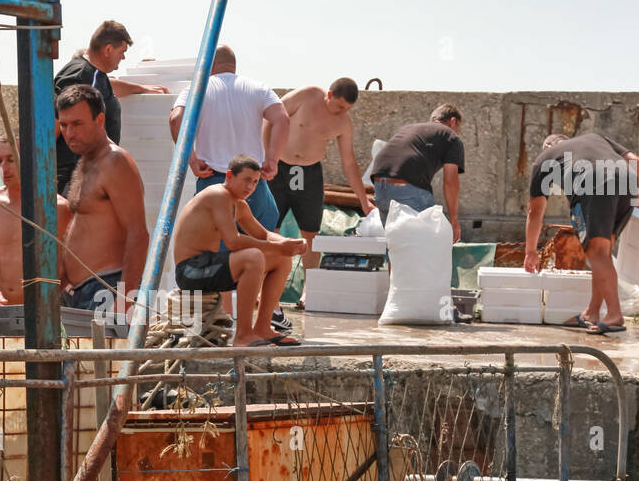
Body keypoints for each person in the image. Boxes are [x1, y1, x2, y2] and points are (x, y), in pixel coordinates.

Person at [169, 44, 291, 331]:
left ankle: (223, 318)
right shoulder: (257, 87)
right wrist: (272, 159)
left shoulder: (198, 87)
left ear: (210, 65)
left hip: (216, 179)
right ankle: (268, 312)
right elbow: (282, 118)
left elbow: (176, 119)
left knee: (218, 250)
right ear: (234, 66)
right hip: (254, 182)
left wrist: (192, 159)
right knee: (268, 247)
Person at [174, 155, 307, 347]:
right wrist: (278, 246)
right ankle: (243, 334)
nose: (250, 187)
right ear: (229, 175)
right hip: (190, 271)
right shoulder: (217, 195)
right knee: (253, 257)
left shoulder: (239, 204)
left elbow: (264, 235)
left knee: (281, 258)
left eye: (255, 182)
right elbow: (233, 241)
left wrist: (290, 243)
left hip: (209, 266)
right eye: (246, 180)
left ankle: (262, 328)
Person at [269, 78, 375, 308]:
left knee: (310, 234)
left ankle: (308, 290)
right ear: (329, 94)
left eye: (347, 109)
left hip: (309, 174)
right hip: (279, 167)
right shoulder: (306, 95)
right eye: (339, 106)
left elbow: (349, 163)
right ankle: (265, 291)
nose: (342, 112)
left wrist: (364, 201)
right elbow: (272, 116)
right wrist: (265, 156)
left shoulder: (344, 124)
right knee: (271, 230)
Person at [526, 132, 639, 335]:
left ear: (548, 146)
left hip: (593, 183)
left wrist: (530, 251)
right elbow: (636, 161)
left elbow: (535, 212)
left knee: (596, 253)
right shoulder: (596, 137)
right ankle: (592, 312)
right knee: (602, 254)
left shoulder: (545, 157)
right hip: (627, 181)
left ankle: (615, 315)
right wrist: (637, 195)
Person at [56, 83, 150, 311]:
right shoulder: (86, 162)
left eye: (77, 124)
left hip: (106, 289)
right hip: (80, 293)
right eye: (64, 125)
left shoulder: (115, 162)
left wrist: (124, 298)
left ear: (99, 120)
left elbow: (138, 234)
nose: (69, 133)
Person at [54, 21, 168, 195]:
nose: (122, 58)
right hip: (76, 179)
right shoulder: (77, 75)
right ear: (108, 50)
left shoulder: (95, 74)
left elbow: (107, 87)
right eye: (121, 52)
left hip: (93, 175)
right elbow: (57, 123)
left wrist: (141, 88)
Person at [0, 136, 71, 305]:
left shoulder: (57, 207)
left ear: (31, 160)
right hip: (3, 310)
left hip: (48, 311)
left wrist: (53, 295)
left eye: (11, 160)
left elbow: (71, 266)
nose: (3, 168)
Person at [369, 103, 465, 242]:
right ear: (453, 121)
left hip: (380, 185)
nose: (457, 132)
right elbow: (450, 180)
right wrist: (454, 220)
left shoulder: (408, 128)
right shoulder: (451, 136)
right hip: (407, 188)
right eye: (458, 129)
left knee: (395, 247)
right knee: (430, 244)